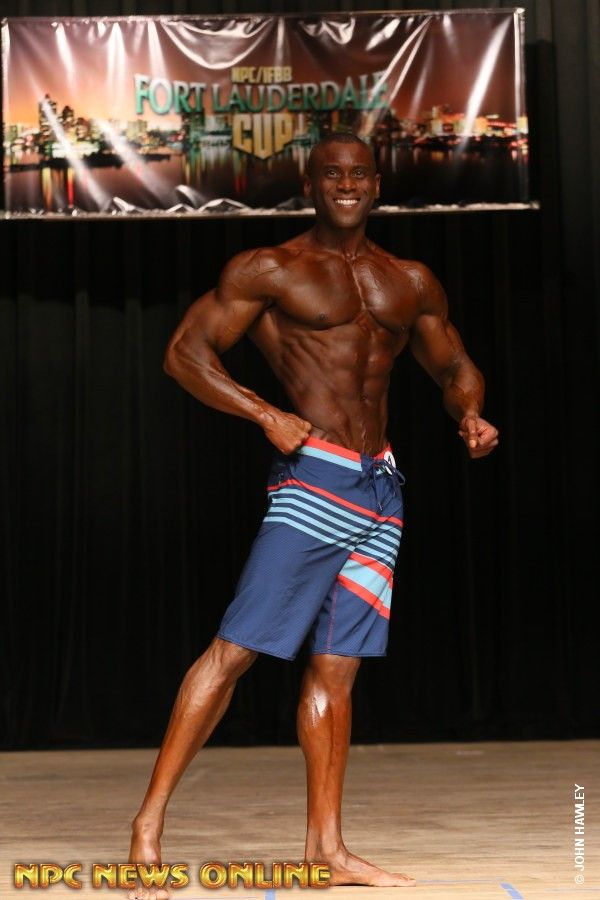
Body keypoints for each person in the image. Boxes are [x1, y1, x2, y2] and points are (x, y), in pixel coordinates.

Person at [128, 132, 499, 896]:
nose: (347, 185)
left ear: (376, 184)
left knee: (336, 669)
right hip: (314, 484)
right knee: (235, 652)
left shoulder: (408, 280)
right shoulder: (271, 269)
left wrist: (469, 413)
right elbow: (184, 353)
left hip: (381, 490)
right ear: (312, 183)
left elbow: (455, 366)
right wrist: (264, 412)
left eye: (359, 174)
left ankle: (326, 848)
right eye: (333, 174)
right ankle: (147, 828)